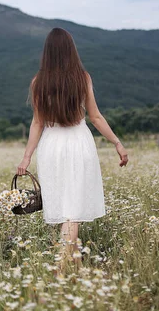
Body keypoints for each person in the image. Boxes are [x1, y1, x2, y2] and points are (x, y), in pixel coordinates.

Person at [17, 27, 128, 275]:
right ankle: (61, 268)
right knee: (73, 210)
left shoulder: (38, 82)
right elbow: (96, 117)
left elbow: (37, 123)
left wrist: (27, 156)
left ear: (47, 52)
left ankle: (74, 270)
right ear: (71, 50)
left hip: (51, 146)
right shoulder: (82, 78)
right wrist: (117, 143)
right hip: (80, 143)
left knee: (67, 208)